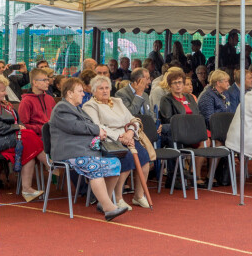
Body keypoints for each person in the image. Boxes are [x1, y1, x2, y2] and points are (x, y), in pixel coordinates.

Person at [49, 78, 127, 221]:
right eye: (79, 91)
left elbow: (85, 126)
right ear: (70, 93)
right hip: (69, 152)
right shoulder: (61, 108)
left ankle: (104, 203)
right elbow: (75, 126)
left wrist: (99, 131)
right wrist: (98, 130)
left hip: (83, 151)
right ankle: (109, 208)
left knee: (115, 164)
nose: (83, 94)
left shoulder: (77, 108)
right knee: (95, 166)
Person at [83, 75, 152, 210]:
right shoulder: (90, 105)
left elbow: (132, 119)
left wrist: (130, 133)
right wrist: (121, 137)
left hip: (128, 136)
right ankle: (118, 198)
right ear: (94, 91)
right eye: (101, 88)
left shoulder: (117, 101)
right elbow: (98, 127)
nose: (105, 91)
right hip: (109, 141)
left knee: (144, 159)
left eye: (107, 88)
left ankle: (139, 195)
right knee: (127, 160)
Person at [0, 76, 48, 202]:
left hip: (9, 137)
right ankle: (49, 164)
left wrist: (19, 127)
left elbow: (19, 121)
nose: (5, 93)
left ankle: (27, 189)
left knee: (29, 149)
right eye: (2, 90)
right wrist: (17, 127)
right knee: (28, 135)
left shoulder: (6, 105)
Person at [158, 70, 206, 188]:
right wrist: (185, 125)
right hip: (176, 130)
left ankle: (189, 173)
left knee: (206, 139)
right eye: (174, 83)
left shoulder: (189, 97)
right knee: (173, 136)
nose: (178, 85)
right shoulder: (166, 99)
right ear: (170, 85)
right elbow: (169, 119)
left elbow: (197, 114)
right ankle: (177, 174)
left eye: (180, 82)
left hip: (192, 131)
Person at [18, 68, 56, 137]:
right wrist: (43, 128)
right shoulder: (26, 101)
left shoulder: (50, 99)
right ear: (35, 83)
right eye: (44, 80)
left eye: (47, 79)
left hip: (52, 135)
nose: (47, 82)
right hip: (36, 137)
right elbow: (23, 125)